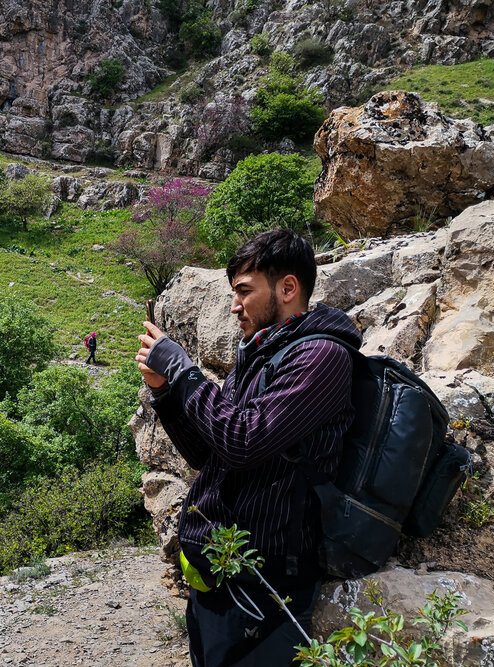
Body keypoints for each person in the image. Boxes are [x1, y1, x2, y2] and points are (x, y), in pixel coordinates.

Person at [135, 229, 361, 666]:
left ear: (288, 288)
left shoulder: (321, 357)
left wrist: (183, 370)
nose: (234, 305)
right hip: (224, 569)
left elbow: (243, 441)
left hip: (266, 578)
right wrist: (164, 392)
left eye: (244, 291)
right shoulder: (261, 353)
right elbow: (209, 453)